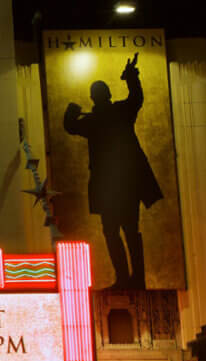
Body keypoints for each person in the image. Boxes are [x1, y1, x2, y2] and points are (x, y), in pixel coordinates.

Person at [63, 53, 162, 290]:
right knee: (128, 230)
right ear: (107, 95)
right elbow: (136, 98)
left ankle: (127, 279)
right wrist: (131, 77)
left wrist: (73, 109)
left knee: (113, 231)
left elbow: (70, 125)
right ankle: (133, 278)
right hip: (123, 184)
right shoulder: (118, 112)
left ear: (94, 98)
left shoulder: (96, 120)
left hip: (112, 186)